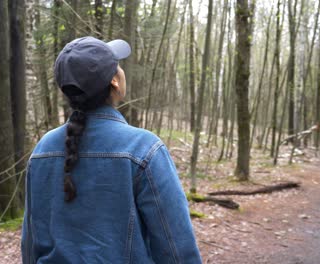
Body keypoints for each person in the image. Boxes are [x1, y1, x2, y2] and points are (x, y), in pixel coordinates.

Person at [21, 36, 201, 264]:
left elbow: (31, 243)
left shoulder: (43, 149)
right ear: (114, 80)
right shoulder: (143, 149)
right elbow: (176, 248)